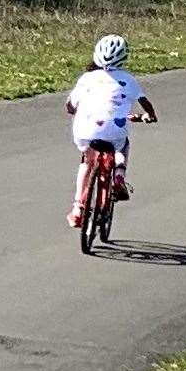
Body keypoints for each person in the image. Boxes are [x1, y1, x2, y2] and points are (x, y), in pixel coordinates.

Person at [65, 34, 157, 229]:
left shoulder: (86, 78)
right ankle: (119, 176)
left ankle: (78, 208)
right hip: (115, 129)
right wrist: (149, 115)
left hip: (85, 130)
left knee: (88, 162)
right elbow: (145, 103)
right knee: (122, 146)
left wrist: (75, 111)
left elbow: (70, 106)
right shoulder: (128, 79)